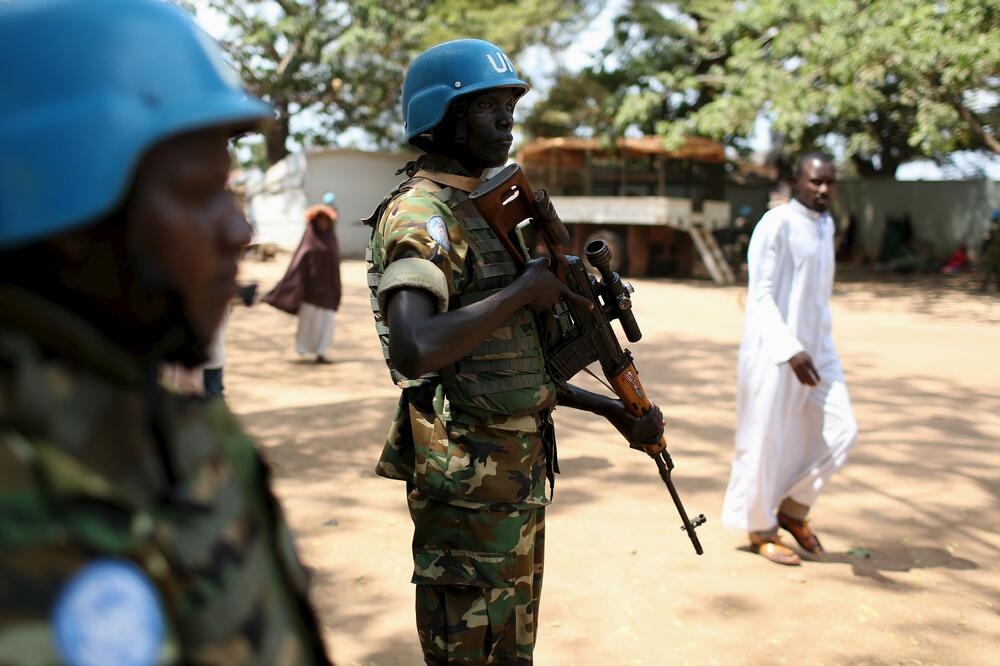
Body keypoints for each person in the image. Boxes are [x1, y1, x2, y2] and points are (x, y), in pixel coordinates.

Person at [0, 1, 333, 663]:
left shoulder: (184, 423)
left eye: (230, 192)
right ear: (68, 211)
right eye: (195, 192)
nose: (238, 230)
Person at [364, 39, 665, 664]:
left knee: (510, 652)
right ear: (444, 119)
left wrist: (613, 410)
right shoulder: (423, 217)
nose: (506, 120)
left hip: (515, 478)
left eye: (509, 105)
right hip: (467, 493)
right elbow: (414, 350)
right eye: (487, 107)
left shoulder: (485, 211)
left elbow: (516, 360)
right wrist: (522, 291)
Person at [721, 153, 859, 566]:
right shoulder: (776, 224)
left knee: (843, 430)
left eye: (830, 182)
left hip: (818, 352)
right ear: (797, 182)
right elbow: (759, 295)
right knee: (765, 439)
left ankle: (794, 510)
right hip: (774, 353)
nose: (823, 189)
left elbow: (817, 301)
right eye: (816, 182)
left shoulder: (825, 224)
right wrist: (788, 349)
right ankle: (761, 530)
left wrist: (813, 348)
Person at [264, 200, 342, 363]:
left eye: (325, 220)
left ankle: (321, 352)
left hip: (327, 290)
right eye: (319, 220)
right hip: (310, 292)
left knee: (325, 323)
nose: (322, 223)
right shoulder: (309, 240)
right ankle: (304, 349)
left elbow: (335, 267)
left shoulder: (331, 239)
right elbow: (298, 266)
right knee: (308, 323)